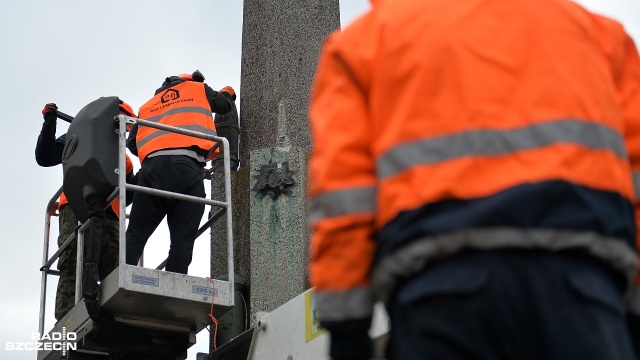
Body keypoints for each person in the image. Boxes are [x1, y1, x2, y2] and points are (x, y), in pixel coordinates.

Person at [307, 1, 640, 359]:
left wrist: (347, 332)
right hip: (583, 291)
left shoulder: (362, 46)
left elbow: (344, 200)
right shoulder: (604, 39)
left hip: (439, 296)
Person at [125, 70, 236, 274]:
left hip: (151, 170)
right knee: (181, 240)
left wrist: (159, 145)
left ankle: (120, 276)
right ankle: (173, 284)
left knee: (135, 235)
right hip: (186, 167)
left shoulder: (148, 106)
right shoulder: (198, 88)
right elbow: (224, 106)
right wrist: (227, 93)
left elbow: (132, 144)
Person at [36, 101, 137, 321]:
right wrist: (49, 122)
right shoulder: (79, 137)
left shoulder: (125, 158)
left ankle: (109, 319)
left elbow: (127, 196)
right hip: (76, 208)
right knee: (74, 262)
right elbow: (45, 157)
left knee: (111, 269)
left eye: (129, 124)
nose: (127, 128)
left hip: (111, 216)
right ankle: (67, 320)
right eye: (125, 120)